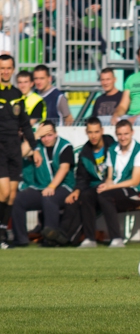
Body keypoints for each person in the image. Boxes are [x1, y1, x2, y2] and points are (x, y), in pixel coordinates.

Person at [12, 120, 74, 247]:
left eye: (49, 134)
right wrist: (34, 137)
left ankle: (50, 239)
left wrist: (51, 186)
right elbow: (19, 154)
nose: (46, 138)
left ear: (56, 134)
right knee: (17, 199)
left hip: (64, 187)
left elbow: (64, 168)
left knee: (49, 198)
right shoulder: (36, 146)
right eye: (43, 135)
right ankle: (21, 239)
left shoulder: (65, 146)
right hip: (41, 188)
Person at [0, 54, 38, 247]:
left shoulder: (17, 94)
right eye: (1, 68)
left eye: (8, 68)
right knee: (4, 192)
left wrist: (35, 148)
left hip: (15, 148)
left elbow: (25, 124)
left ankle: (2, 233)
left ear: (13, 69)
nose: (5, 71)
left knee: (12, 195)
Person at [96, 120, 140, 247]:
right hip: (116, 188)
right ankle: (87, 238)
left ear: (132, 132)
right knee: (88, 195)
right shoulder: (112, 150)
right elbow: (109, 176)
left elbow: (135, 181)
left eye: (126, 134)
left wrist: (109, 187)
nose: (123, 137)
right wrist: (106, 184)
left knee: (105, 196)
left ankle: (116, 239)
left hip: (136, 191)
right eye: (119, 134)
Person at [66, 117, 116, 248]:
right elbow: (82, 177)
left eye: (96, 132)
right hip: (94, 188)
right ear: (86, 132)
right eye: (90, 132)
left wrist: (108, 183)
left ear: (102, 131)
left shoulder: (112, 146)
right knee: (82, 196)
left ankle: (116, 239)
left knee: (100, 195)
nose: (93, 136)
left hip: (113, 185)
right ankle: (89, 239)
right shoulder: (84, 152)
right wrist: (76, 190)